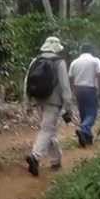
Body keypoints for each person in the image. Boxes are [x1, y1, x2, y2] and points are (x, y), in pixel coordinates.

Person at [23, 37, 73, 176]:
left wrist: (27, 102)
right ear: (57, 48)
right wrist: (68, 106)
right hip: (54, 102)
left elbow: (27, 82)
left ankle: (56, 160)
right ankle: (35, 156)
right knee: (47, 130)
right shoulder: (59, 62)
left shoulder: (35, 60)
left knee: (48, 130)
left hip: (38, 100)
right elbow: (65, 86)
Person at [68, 44, 100, 147]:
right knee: (91, 113)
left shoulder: (75, 62)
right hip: (90, 89)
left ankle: (87, 138)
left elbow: (70, 77)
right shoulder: (95, 60)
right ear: (91, 51)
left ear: (81, 51)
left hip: (78, 89)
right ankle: (83, 128)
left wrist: (73, 90)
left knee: (83, 113)